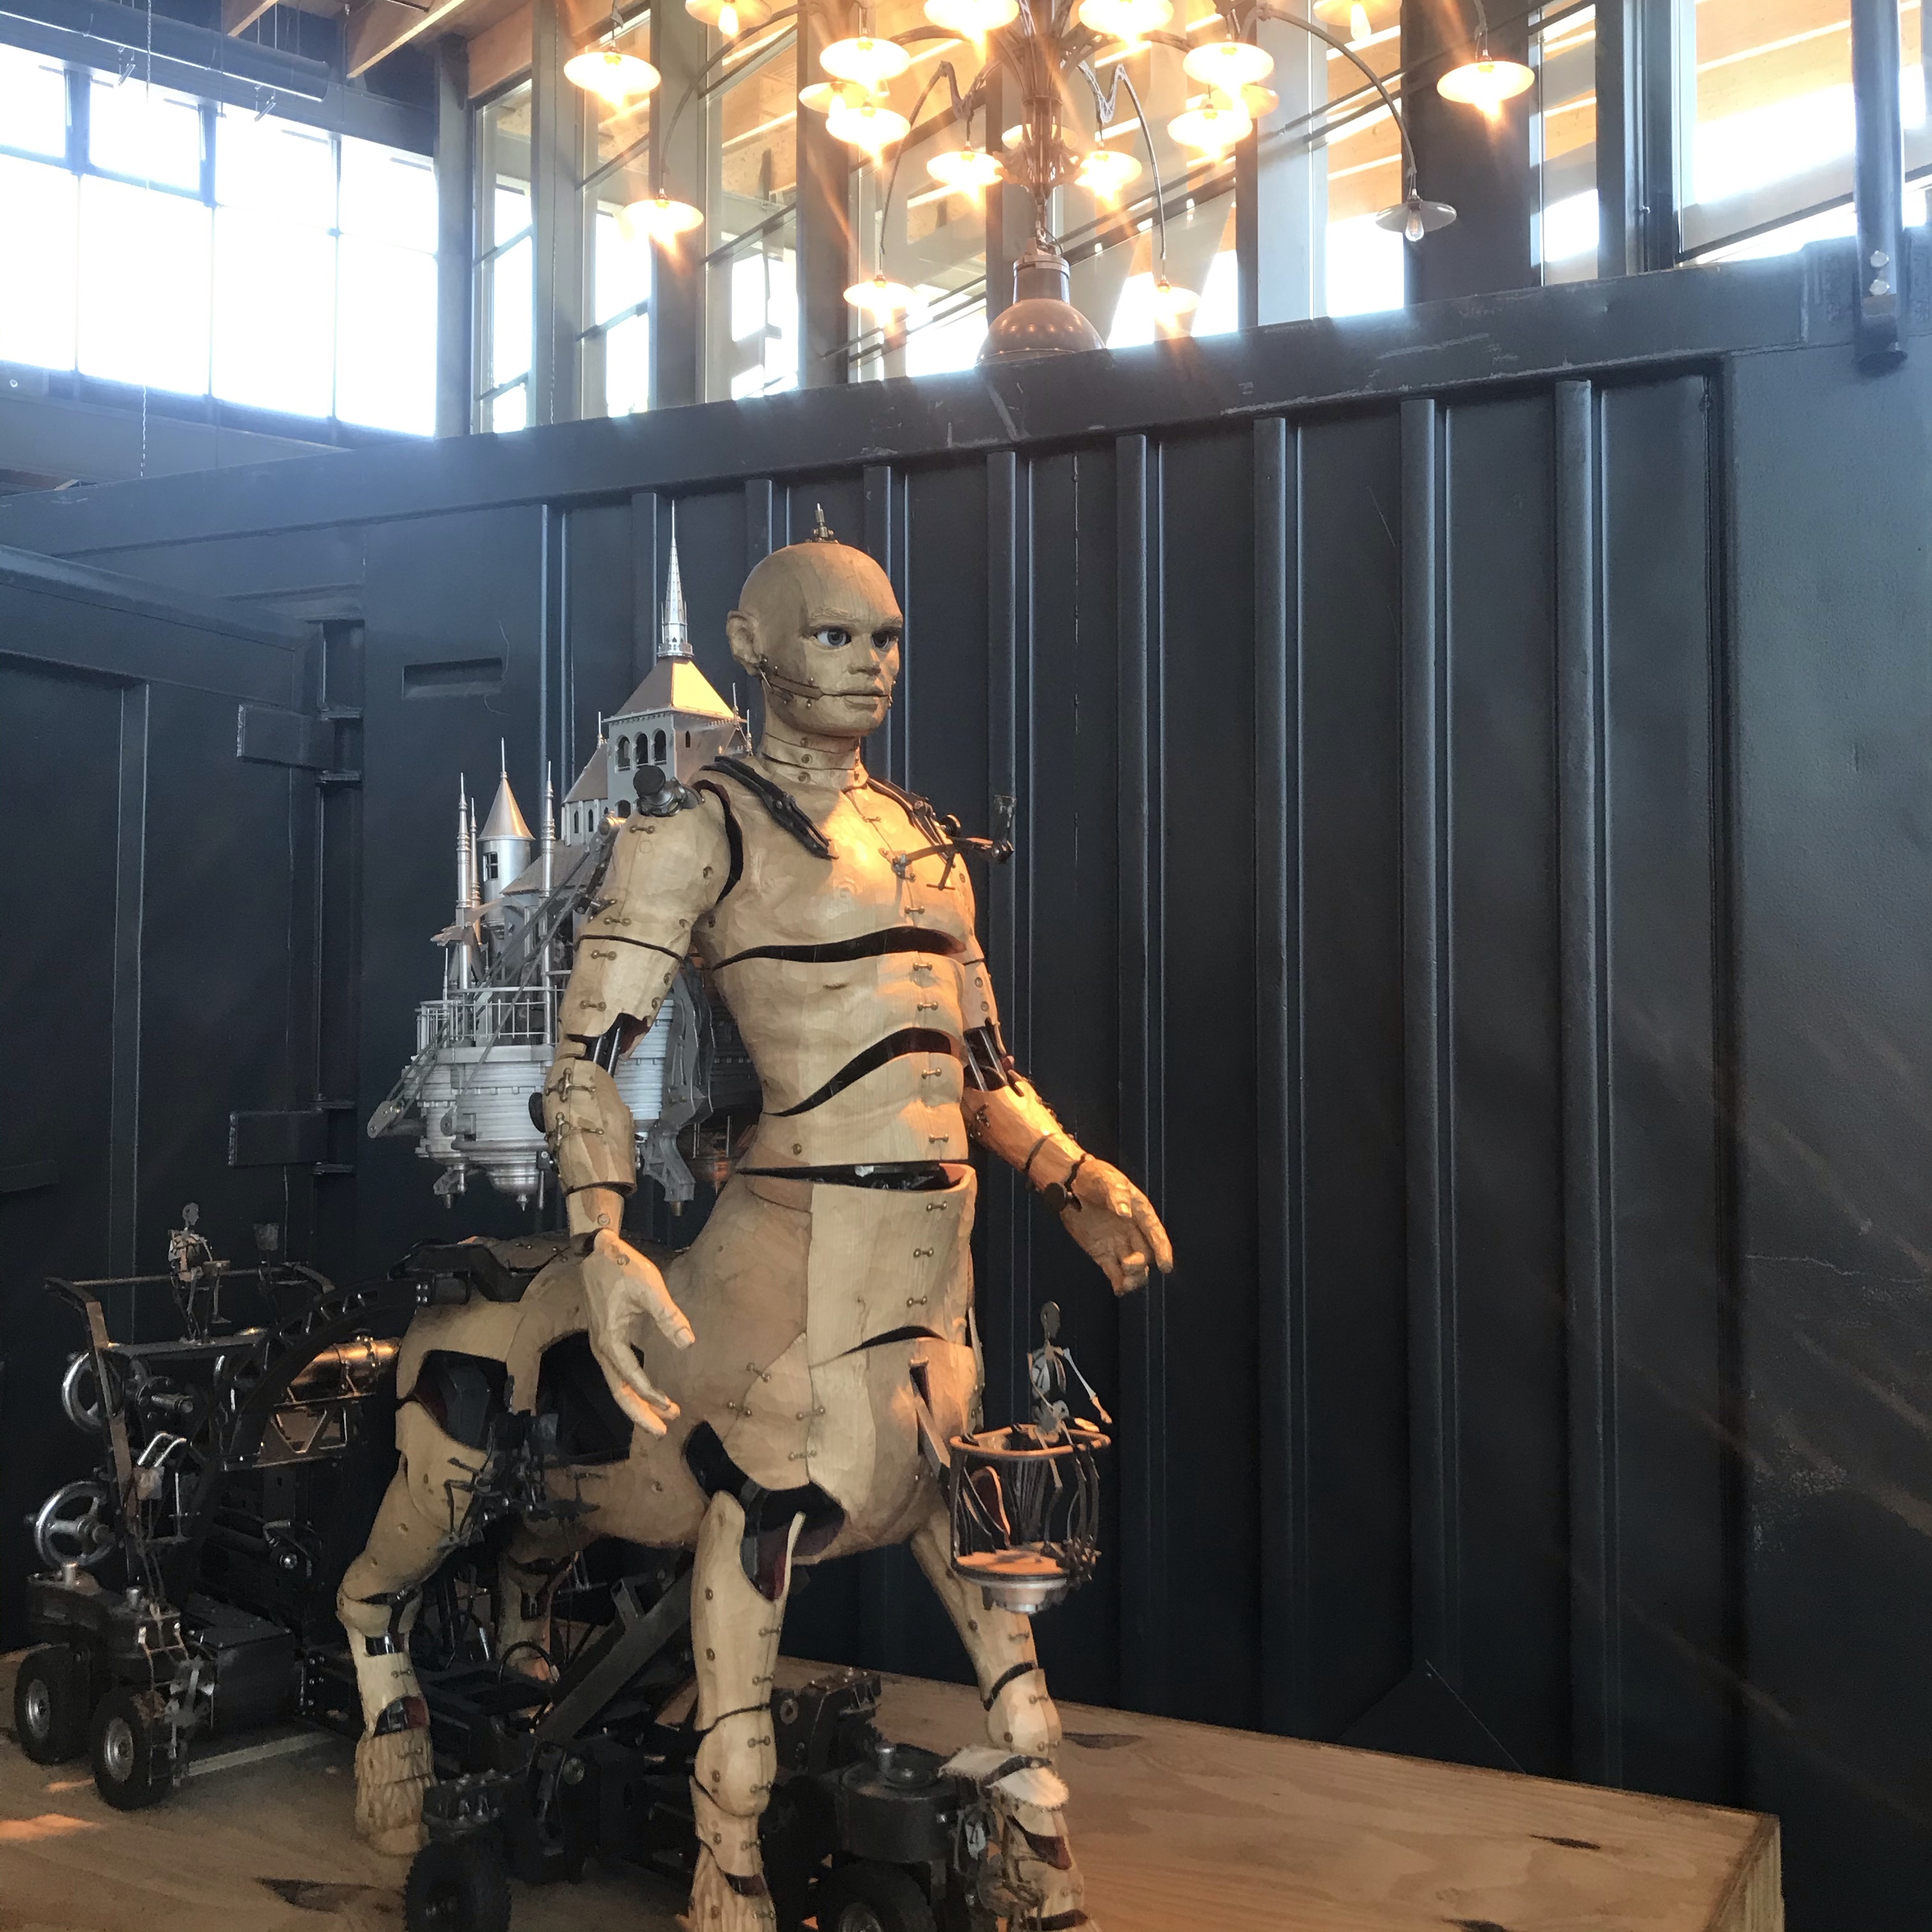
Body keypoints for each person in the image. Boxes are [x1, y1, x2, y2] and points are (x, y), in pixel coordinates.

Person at [337, 517, 1172, 1932]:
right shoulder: (697, 831)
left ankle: (1030, 1820)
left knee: (954, 1499)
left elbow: (981, 1068)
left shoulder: (930, 845)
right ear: (752, 649)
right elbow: (586, 1055)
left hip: (925, 1281)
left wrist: (1070, 1170)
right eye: (835, 634)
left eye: (887, 637)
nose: (870, 662)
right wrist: (602, 1239)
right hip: (778, 1261)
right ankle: (712, 1860)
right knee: (748, 1500)